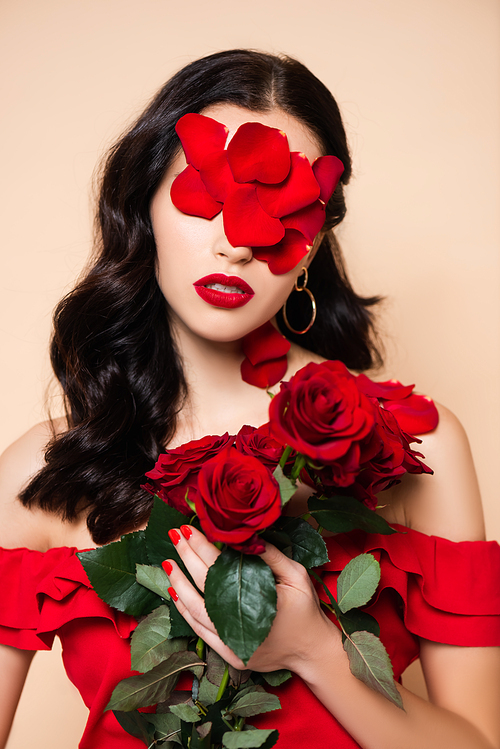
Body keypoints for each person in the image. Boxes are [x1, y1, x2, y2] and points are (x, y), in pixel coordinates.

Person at [0, 48, 499, 749]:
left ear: (316, 240)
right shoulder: (38, 475)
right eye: (208, 193)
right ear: (143, 202)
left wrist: (315, 653)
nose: (236, 242)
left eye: (281, 208)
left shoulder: (418, 443)